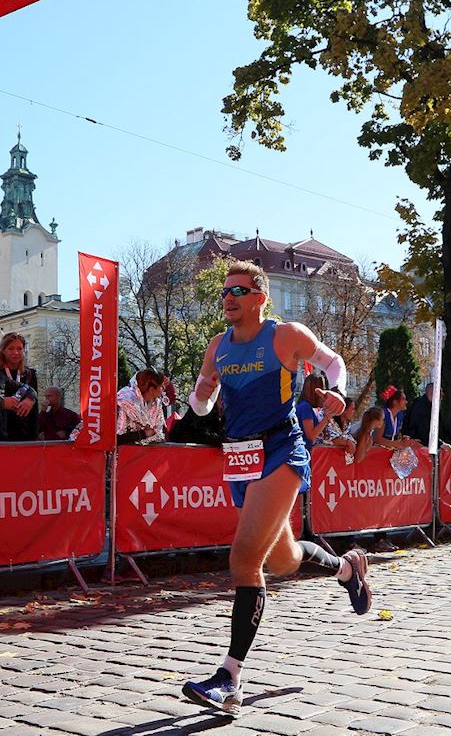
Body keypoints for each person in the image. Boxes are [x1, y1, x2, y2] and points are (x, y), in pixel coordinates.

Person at [181, 261, 368, 715]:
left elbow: (332, 362)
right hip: (239, 459)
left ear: (260, 297)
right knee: (283, 560)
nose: (229, 298)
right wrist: (202, 392)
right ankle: (347, 569)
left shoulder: (285, 336)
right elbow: (202, 406)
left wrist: (336, 391)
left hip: (281, 453)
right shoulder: (217, 347)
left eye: (239, 291)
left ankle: (229, 678)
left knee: (243, 559)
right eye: (225, 292)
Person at [0, 333, 39, 438]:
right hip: (2, 431)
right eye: (11, 348)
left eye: (19, 348)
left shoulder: (30, 374)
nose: (16, 352)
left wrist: (35, 435)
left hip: (25, 431)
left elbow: (34, 409)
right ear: (3, 351)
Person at [115, 369, 169, 445]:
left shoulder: (157, 404)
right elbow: (115, 439)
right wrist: (143, 434)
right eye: (161, 386)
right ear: (151, 390)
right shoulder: (124, 402)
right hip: (123, 454)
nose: (163, 389)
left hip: (148, 454)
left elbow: (160, 433)